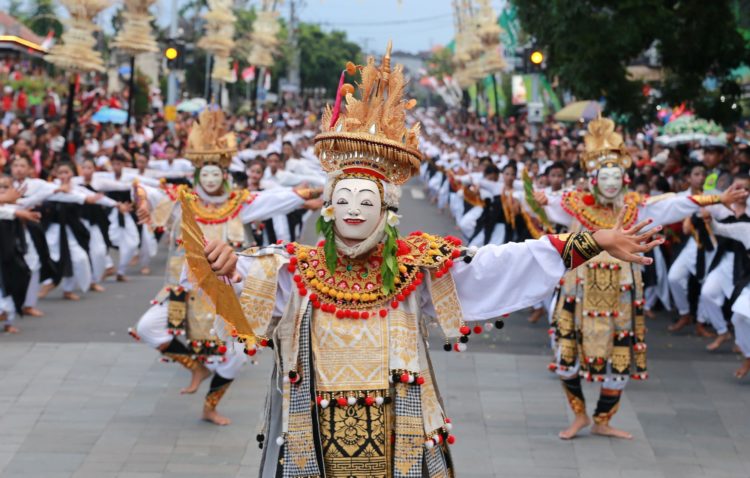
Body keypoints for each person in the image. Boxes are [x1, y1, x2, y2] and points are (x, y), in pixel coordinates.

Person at [190, 47, 663, 476]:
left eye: (366, 200)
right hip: (315, 440)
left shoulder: (417, 267)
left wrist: (592, 240)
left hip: (400, 434)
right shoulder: (297, 268)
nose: (355, 209)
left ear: (387, 212)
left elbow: (498, 263)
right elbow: (249, 275)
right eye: (346, 199)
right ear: (330, 209)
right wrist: (227, 263)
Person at [535, 117, 747, 440]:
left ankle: (602, 420)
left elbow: (676, 203)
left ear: (624, 178)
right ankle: (578, 416)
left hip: (620, 294)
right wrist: (535, 197)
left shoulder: (636, 207)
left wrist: (717, 199)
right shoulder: (574, 206)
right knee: (566, 354)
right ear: (592, 179)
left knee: (620, 359)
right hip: (578, 290)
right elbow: (543, 204)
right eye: (603, 175)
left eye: (615, 175)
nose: (610, 181)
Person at [133, 108, 322, 426]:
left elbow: (277, 197)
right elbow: (141, 187)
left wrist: (314, 193)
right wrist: (140, 200)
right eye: (204, 173)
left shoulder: (239, 204)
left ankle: (210, 405)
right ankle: (196, 365)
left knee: (235, 358)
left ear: (224, 174)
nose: (210, 179)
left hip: (229, 286)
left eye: (215, 173)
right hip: (188, 287)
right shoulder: (183, 200)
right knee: (148, 328)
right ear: (197, 176)